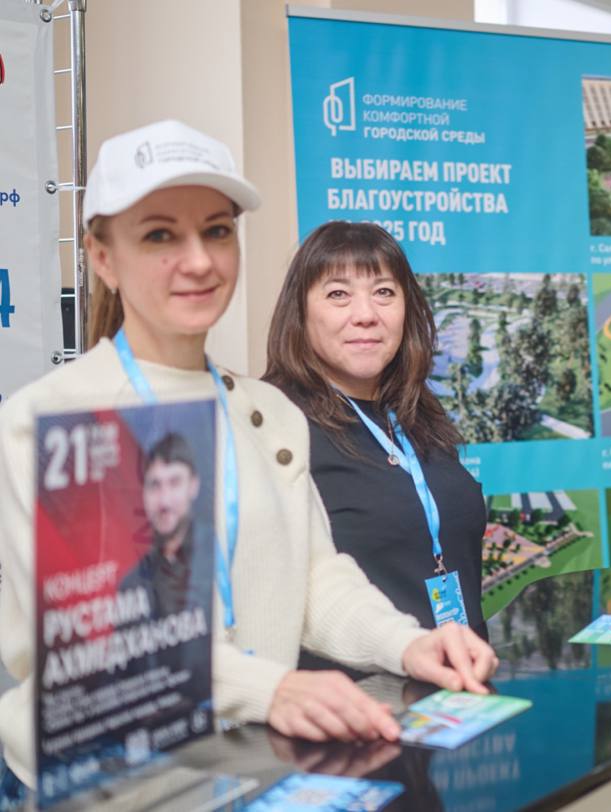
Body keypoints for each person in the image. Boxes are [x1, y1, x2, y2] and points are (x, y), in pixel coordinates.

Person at [0, 120, 496, 790]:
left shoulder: (267, 414)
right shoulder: (56, 420)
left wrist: (407, 643)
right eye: (159, 236)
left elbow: (318, 582)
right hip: (117, 787)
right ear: (103, 257)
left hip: (255, 769)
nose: (199, 261)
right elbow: (109, 646)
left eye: (216, 231)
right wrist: (276, 690)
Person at [263, 222, 487, 667]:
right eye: (338, 294)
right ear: (300, 312)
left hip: (458, 680)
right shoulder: (275, 425)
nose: (366, 314)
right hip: (359, 693)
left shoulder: (417, 413)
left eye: (384, 292)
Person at [122, 432, 214, 618]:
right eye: (155, 485)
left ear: (194, 486)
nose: (164, 501)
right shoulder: (129, 588)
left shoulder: (219, 553)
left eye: (174, 483)